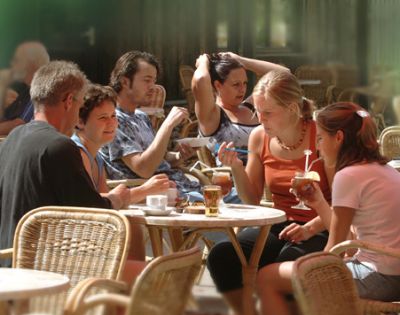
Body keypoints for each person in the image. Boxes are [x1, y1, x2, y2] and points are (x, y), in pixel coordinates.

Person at [256, 102, 400, 315]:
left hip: (378, 278)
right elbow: (353, 239)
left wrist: (311, 273)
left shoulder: (348, 175)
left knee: (267, 276)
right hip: (392, 273)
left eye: (321, 138)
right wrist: (319, 203)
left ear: (339, 137)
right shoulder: (386, 170)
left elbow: (336, 248)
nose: (317, 147)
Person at [206, 70, 334, 314]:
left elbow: (342, 202)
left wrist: (310, 228)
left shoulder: (321, 136)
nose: (260, 119)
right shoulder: (259, 137)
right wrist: (235, 168)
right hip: (278, 224)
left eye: (268, 112)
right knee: (221, 256)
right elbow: (252, 198)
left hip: (322, 226)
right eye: (257, 111)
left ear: (293, 109)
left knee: (285, 267)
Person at [0, 61, 132, 262]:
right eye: (80, 105)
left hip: (8, 265)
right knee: (145, 271)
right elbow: (93, 214)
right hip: (44, 270)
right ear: (69, 101)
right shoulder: (59, 146)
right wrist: (118, 198)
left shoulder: (12, 139)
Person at [100, 51, 201, 198]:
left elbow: (158, 160)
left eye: (154, 80)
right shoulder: (114, 120)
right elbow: (144, 168)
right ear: (125, 82)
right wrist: (168, 125)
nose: (153, 87)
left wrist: (180, 156)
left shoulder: (141, 117)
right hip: (161, 199)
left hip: (181, 190)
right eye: (147, 80)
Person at [192, 52, 288, 164]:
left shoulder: (250, 107)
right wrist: (203, 62)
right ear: (218, 85)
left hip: (272, 171)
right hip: (236, 178)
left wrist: (243, 61)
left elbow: (285, 75)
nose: (242, 89)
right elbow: (200, 80)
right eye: (236, 84)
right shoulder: (212, 116)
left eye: (245, 83)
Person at [0, 41, 50, 135]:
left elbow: (20, 124)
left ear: (31, 64)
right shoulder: (27, 91)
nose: (12, 64)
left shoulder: (43, 89)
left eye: (17, 60)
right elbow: (5, 119)